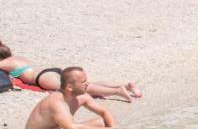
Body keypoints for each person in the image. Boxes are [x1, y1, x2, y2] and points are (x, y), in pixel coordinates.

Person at [20, 67, 128, 129]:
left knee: (99, 122)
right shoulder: (56, 102)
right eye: (83, 81)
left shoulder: (81, 96)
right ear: (70, 87)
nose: (87, 83)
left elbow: (104, 112)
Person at [1, 43, 141, 102]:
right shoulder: (18, 58)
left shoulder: (6, 63)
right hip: (51, 71)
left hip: (42, 78)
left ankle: (118, 91)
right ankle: (127, 85)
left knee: (82, 88)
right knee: (86, 84)